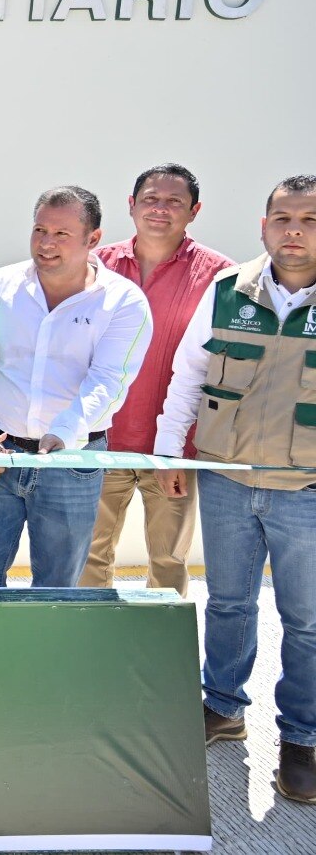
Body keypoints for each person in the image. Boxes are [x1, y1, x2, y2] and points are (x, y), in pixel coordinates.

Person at [156, 174, 316, 804]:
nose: (294, 231)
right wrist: (169, 453)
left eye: (309, 220)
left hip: (306, 489)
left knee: (306, 622)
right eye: (283, 219)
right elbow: (189, 374)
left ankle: (301, 738)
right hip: (226, 478)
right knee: (227, 603)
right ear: (264, 225)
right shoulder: (227, 291)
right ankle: (222, 706)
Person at [0, 186, 152, 588]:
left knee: (59, 586)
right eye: (40, 230)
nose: (46, 244)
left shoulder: (123, 302)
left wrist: (64, 433)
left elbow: (109, 381)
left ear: (93, 239)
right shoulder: (0, 285)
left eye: (62, 234)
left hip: (72, 461)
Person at [77, 164, 232, 596]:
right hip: (99, 441)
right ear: (131, 205)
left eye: (174, 201)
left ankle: (161, 638)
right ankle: (91, 632)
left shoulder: (220, 276)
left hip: (176, 448)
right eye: (150, 199)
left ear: (194, 211)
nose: (160, 209)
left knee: (169, 560)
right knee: (90, 554)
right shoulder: (95, 266)